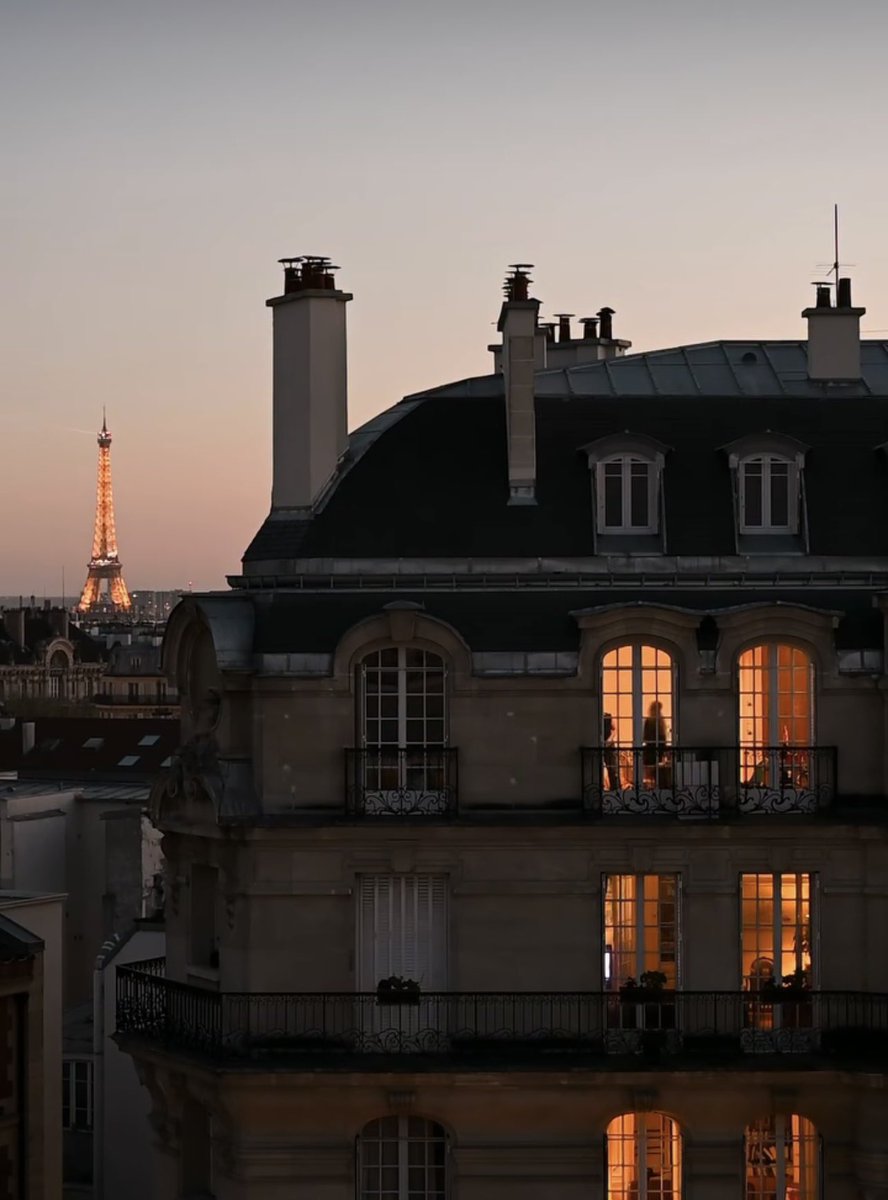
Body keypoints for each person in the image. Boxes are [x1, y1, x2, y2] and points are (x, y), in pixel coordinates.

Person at [642, 700, 668, 786]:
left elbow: (645, 737)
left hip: (650, 749)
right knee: (657, 771)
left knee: (650, 772)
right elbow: (664, 737)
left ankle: (651, 786)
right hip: (659, 749)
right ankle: (657, 786)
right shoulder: (661, 721)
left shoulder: (649, 721)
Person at [602, 712, 620, 791]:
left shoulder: (608, 716)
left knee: (612, 769)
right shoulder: (595, 717)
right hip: (600, 744)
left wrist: (609, 739)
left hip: (609, 746)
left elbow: (615, 729)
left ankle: (615, 789)